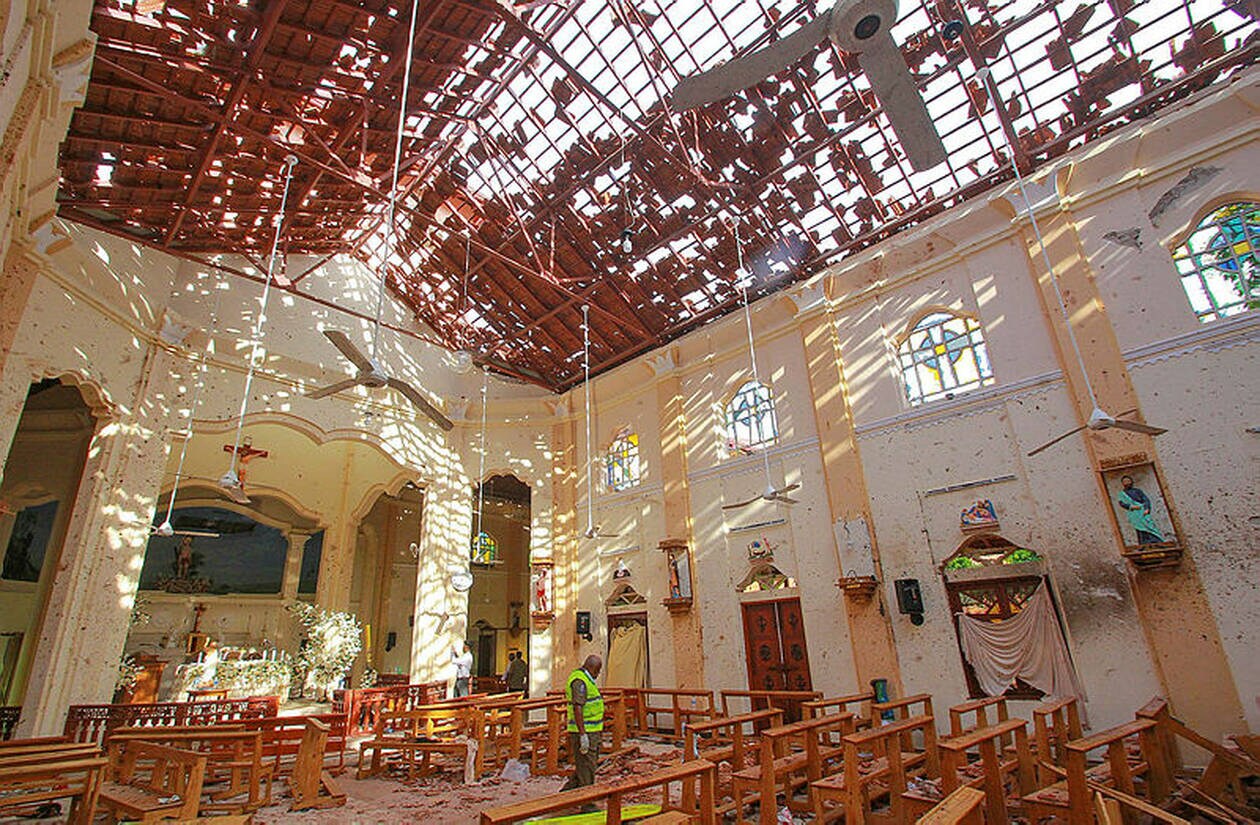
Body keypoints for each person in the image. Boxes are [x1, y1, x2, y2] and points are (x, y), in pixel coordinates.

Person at [561, 654, 604, 792]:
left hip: (593, 730)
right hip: (585, 730)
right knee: (587, 766)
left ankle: (567, 794)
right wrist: (582, 734)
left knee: (586, 765)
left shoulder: (586, 679)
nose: (598, 674)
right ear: (593, 668)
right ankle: (587, 799)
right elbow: (577, 707)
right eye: (598, 671)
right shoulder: (579, 681)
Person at [1117, 475, 1165, 545]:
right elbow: (1122, 503)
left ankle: (1156, 541)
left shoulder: (1138, 491)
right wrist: (1131, 507)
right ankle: (1143, 543)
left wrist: (1147, 508)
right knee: (1139, 528)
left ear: (1131, 482)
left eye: (1128, 481)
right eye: (1125, 482)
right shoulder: (1122, 494)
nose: (1127, 483)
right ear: (1123, 483)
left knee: (1149, 525)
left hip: (1142, 511)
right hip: (1134, 513)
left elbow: (1145, 499)